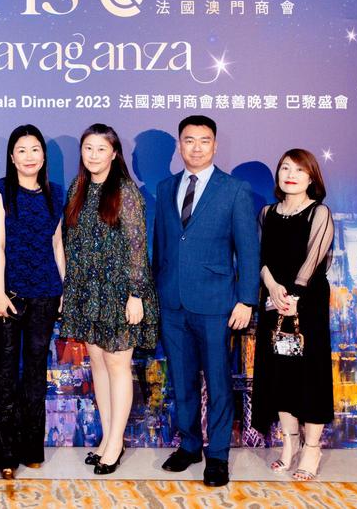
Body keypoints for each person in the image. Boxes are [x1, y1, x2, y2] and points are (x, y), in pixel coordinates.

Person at [153, 114, 259, 487]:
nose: (196, 148)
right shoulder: (166, 187)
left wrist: (246, 300)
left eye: (204, 140)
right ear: (179, 145)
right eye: (189, 140)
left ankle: (217, 456)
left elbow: (248, 250)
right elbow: (162, 246)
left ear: (215, 145)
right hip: (172, 302)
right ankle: (189, 445)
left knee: (217, 382)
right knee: (181, 381)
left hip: (216, 304)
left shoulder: (235, 190)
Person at [60, 124, 159, 475]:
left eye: (101, 149)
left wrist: (135, 294)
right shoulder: (78, 188)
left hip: (120, 292)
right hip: (89, 292)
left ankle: (116, 444)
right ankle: (106, 438)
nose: (93, 155)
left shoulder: (126, 192)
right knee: (98, 364)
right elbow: (71, 242)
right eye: (88, 148)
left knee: (118, 366)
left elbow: (137, 247)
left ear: (114, 154)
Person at [0, 125, 65, 479]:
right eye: (22, 150)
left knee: (35, 373)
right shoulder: (0, 191)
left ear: (43, 155)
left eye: (35, 149)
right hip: (10, 295)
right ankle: (5, 453)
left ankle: (32, 448)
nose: (29, 156)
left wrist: (62, 288)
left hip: (46, 293)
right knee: (5, 373)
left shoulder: (55, 193)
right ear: (12, 156)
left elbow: (57, 244)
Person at [252, 149, 335, 481]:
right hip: (274, 300)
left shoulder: (319, 212)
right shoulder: (267, 213)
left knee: (309, 375)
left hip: (307, 302)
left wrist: (296, 297)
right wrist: (273, 287)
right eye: (285, 168)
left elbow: (314, 257)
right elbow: (259, 256)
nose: (291, 175)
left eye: (299, 170)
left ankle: (312, 448)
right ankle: (290, 444)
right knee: (279, 373)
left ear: (311, 177)